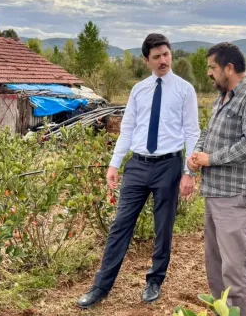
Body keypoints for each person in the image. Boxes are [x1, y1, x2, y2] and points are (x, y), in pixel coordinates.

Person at [77, 33, 201, 309]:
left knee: (163, 228)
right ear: (146, 60)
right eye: (156, 57)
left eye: (166, 54)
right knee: (120, 225)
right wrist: (115, 163)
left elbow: (193, 132)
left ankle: (154, 280)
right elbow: (128, 128)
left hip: (169, 165)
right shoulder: (139, 90)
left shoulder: (184, 90)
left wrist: (188, 172)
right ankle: (101, 286)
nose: (163, 61)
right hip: (137, 165)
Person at [188, 42, 246, 316]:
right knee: (215, 269)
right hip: (214, 193)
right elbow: (208, 132)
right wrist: (195, 158)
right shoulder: (223, 96)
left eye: (212, 68)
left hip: (236, 196)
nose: (209, 73)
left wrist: (210, 159)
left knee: (234, 271)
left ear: (229, 68)